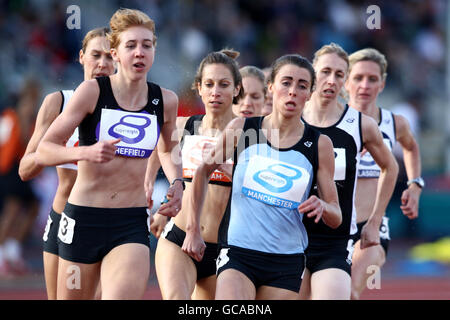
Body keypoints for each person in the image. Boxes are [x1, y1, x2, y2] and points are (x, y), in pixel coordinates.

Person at [35, 8, 183, 300]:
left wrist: (178, 182)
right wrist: (86, 152)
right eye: (130, 46)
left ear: (154, 50)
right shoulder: (92, 91)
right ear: (115, 53)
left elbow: (168, 148)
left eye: (146, 45)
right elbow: (44, 150)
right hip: (83, 219)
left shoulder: (164, 100)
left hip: (130, 222)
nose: (139, 52)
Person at [183, 54, 342, 300]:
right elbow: (203, 170)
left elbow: (336, 216)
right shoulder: (242, 129)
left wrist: (322, 206)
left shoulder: (320, 144)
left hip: (286, 260)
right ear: (271, 88)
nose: (292, 92)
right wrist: (193, 229)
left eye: (301, 86)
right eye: (286, 82)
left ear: (309, 93)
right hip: (238, 253)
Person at [18, 27, 115, 299]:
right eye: (96, 55)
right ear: (82, 57)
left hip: (110, 221)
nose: (102, 64)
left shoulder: (129, 109)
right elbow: (25, 169)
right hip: (65, 220)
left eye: (110, 57)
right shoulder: (58, 102)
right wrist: (61, 151)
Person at [299, 43, 399, 300]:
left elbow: (391, 166)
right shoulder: (291, 116)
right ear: (312, 72)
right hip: (290, 236)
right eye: (325, 71)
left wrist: (375, 222)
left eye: (339, 74)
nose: (331, 80)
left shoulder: (360, 125)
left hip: (335, 239)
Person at [151, 49, 243, 300]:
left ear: (236, 90)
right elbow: (158, 149)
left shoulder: (249, 135)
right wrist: (157, 195)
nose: (215, 92)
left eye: (224, 85)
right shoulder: (184, 126)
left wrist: (235, 173)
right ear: (199, 88)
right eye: (209, 84)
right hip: (180, 238)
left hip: (224, 249)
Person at [345, 48, 422, 300]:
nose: (365, 85)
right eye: (358, 78)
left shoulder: (394, 123)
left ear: (383, 83)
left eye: (372, 79)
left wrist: (414, 185)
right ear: (345, 81)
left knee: (349, 291)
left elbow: (411, 147)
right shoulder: (328, 121)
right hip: (330, 228)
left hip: (373, 227)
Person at [0, 79, 41, 277]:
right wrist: (23, 119)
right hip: (8, 169)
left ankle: (12, 248)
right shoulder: (11, 116)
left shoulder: (32, 120)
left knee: (32, 207)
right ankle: (2, 254)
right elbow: (8, 144)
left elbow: (30, 145)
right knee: (12, 210)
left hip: (20, 169)